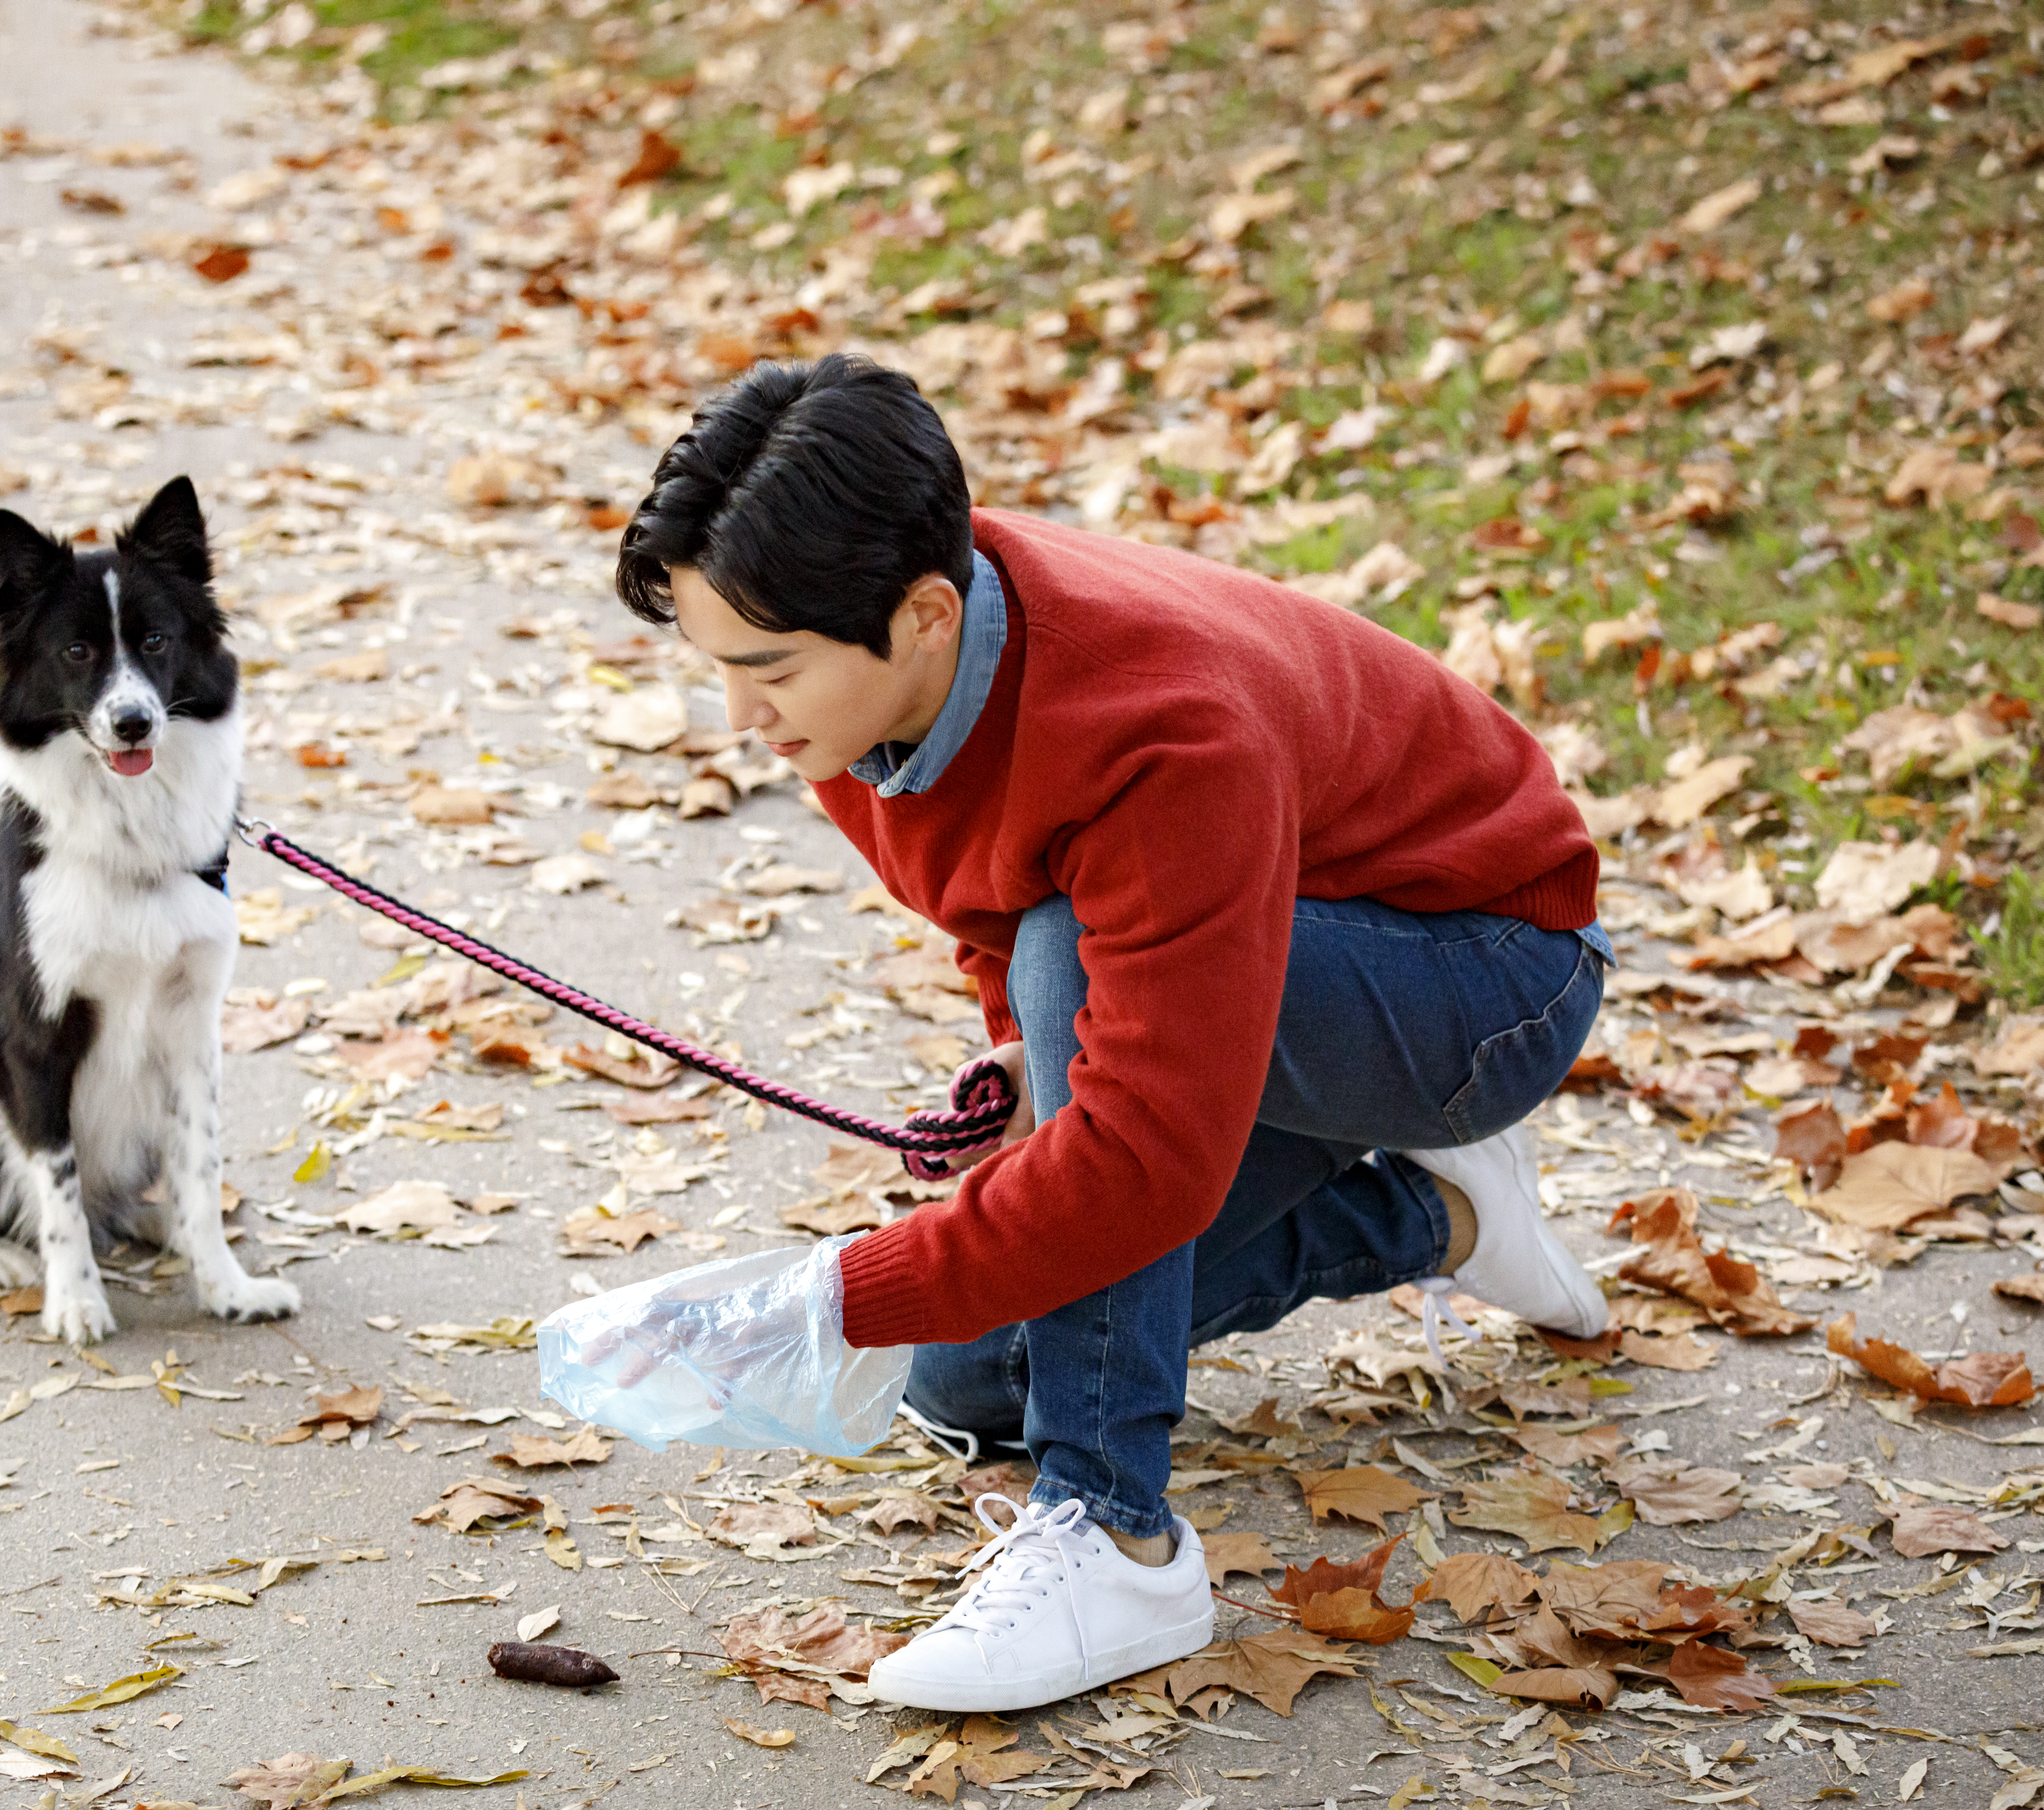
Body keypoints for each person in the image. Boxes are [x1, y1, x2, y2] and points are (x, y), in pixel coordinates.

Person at [610, 353, 1613, 1715]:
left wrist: (831, 1296)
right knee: (971, 1378)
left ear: (920, 613)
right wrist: (1022, 1061)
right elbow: (985, 893)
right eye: (714, 666)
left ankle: (1118, 1541)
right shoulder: (869, 700)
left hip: (1484, 978)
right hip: (1266, 949)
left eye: (767, 669)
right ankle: (1434, 1220)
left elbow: (1144, 1152)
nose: (739, 716)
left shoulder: (1155, 729)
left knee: (1070, 964)